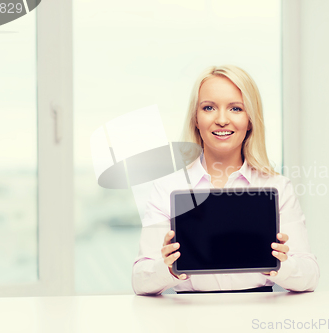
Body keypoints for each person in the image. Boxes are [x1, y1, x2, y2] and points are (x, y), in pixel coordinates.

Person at [132, 65, 319, 295]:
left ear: (250, 119)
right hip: (188, 319)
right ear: (196, 119)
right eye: (209, 107)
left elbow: (310, 277)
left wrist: (281, 264)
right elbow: (140, 281)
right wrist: (167, 269)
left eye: (236, 108)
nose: (222, 119)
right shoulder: (167, 188)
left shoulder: (277, 187)